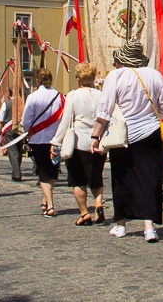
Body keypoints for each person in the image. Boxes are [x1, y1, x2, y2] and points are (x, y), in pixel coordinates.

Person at [89, 38, 163, 243]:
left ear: (123, 59)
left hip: (123, 134)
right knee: (150, 178)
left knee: (121, 178)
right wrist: (154, 115)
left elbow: (105, 109)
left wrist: (96, 136)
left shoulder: (115, 76)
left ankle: (121, 224)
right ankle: (149, 226)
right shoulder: (155, 75)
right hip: (150, 131)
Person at [51, 62, 106, 226]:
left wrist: (55, 141)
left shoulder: (73, 96)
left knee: (78, 180)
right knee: (96, 176)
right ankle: (98, 203)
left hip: (79, 143)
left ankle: (84, 213)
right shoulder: (101, 95)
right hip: (98, 143)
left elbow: (65, 121)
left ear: (78, 79)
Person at [23, 68, 65, 218]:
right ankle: (45, 200)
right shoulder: (59, 97)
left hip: (38, 138)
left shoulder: (33, 96)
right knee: (51, 171)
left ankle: (51, 204)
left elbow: (26, 119)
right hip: (56, 138)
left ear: (37, 80)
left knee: (43, 172)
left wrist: (26, 131)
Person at [0, 92, 24, 182]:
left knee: (13, 152)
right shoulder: (23, 103)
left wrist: (0, 131)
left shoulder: (6, 104)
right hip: (20, 129)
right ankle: (16, 171)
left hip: (9, 130)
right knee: (19, 151)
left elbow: (1, 119)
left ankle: (16, 174)